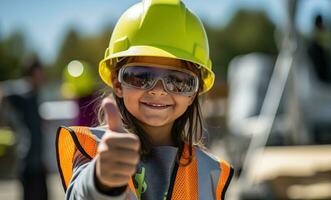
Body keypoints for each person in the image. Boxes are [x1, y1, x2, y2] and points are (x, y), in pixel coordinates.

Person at [56, 0, 234, 199]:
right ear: (117, 83)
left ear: (194, 92)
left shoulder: (209, 170)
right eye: (140, 76)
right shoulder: (95, 149)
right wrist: (101, 180)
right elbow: (80, 193)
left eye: (177, 81)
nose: (158, 91)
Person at [0, 56, 48, 200]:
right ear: (33, 72)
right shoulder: (23, 90)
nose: (43, 75)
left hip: (39, 161)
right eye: (40, 72)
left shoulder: (35, 93)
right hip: (27, 160)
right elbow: (2, 91)